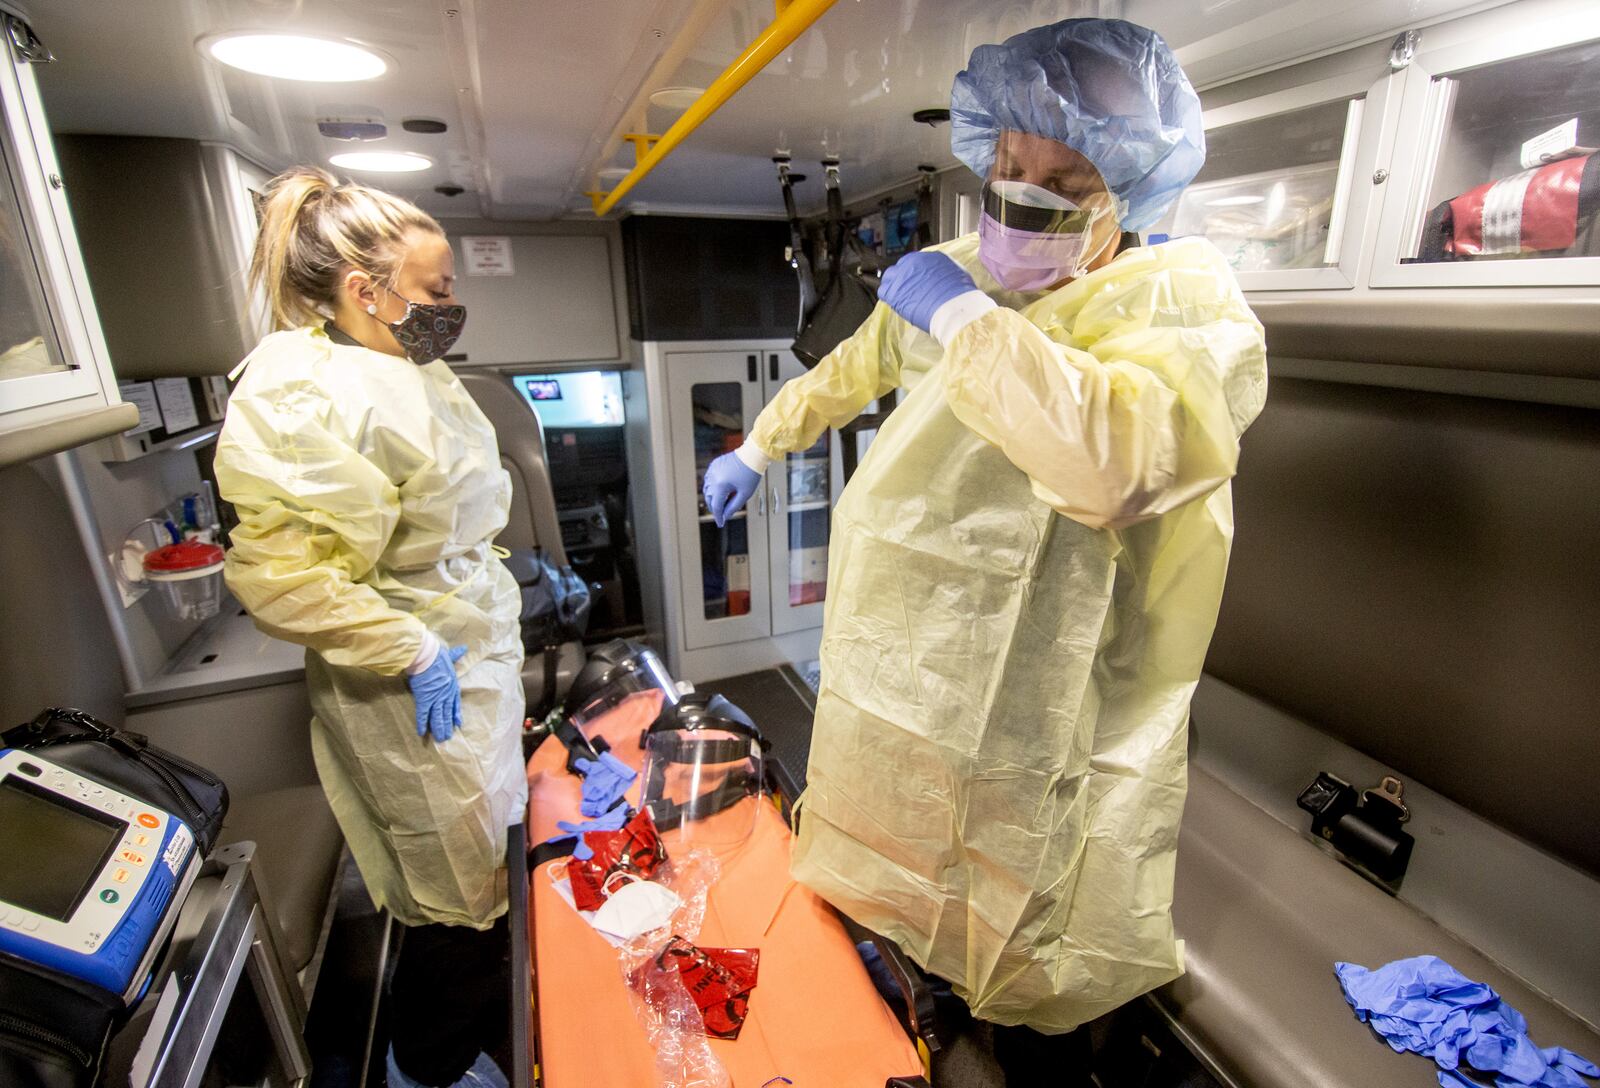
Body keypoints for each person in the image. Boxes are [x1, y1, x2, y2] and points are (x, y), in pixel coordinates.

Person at [700, 17, 1268, 1085]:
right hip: (910, 647)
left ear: (1132, 190)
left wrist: (969, 322)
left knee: (1026, 915)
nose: (1021, 188)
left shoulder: (1179, 305)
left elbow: (1114, 462)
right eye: (1009, 162)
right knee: (900, 870)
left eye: (1064, 174)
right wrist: (762, 444)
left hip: (1054, 677)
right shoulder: (953, 269)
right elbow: (854, 366)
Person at [214, 168, 523, 1088]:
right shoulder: (307, 391)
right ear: (364, 291)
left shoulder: (401, 367)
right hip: (409, 683)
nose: (449, 305)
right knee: (454, 895)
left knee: (482, 871)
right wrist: (415, 648)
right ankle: (428, 1068)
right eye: (435, 289)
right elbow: (284, 577)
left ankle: (470, 1027)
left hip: (464, 653)